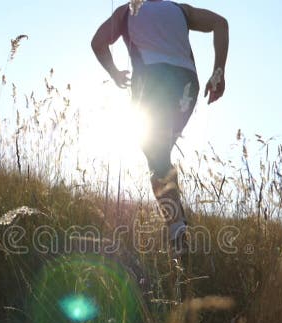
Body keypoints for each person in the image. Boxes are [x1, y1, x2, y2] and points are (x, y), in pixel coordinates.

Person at [92, 0, 228, 255]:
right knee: (161, 153)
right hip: (187, 83)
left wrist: (114, 73)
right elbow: (220, 23)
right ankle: (179, 229)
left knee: (157, 156)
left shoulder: (127, 11)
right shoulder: (181, 9)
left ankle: (177, 233)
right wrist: (218, 71)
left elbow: (98, 41)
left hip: (152, 78)